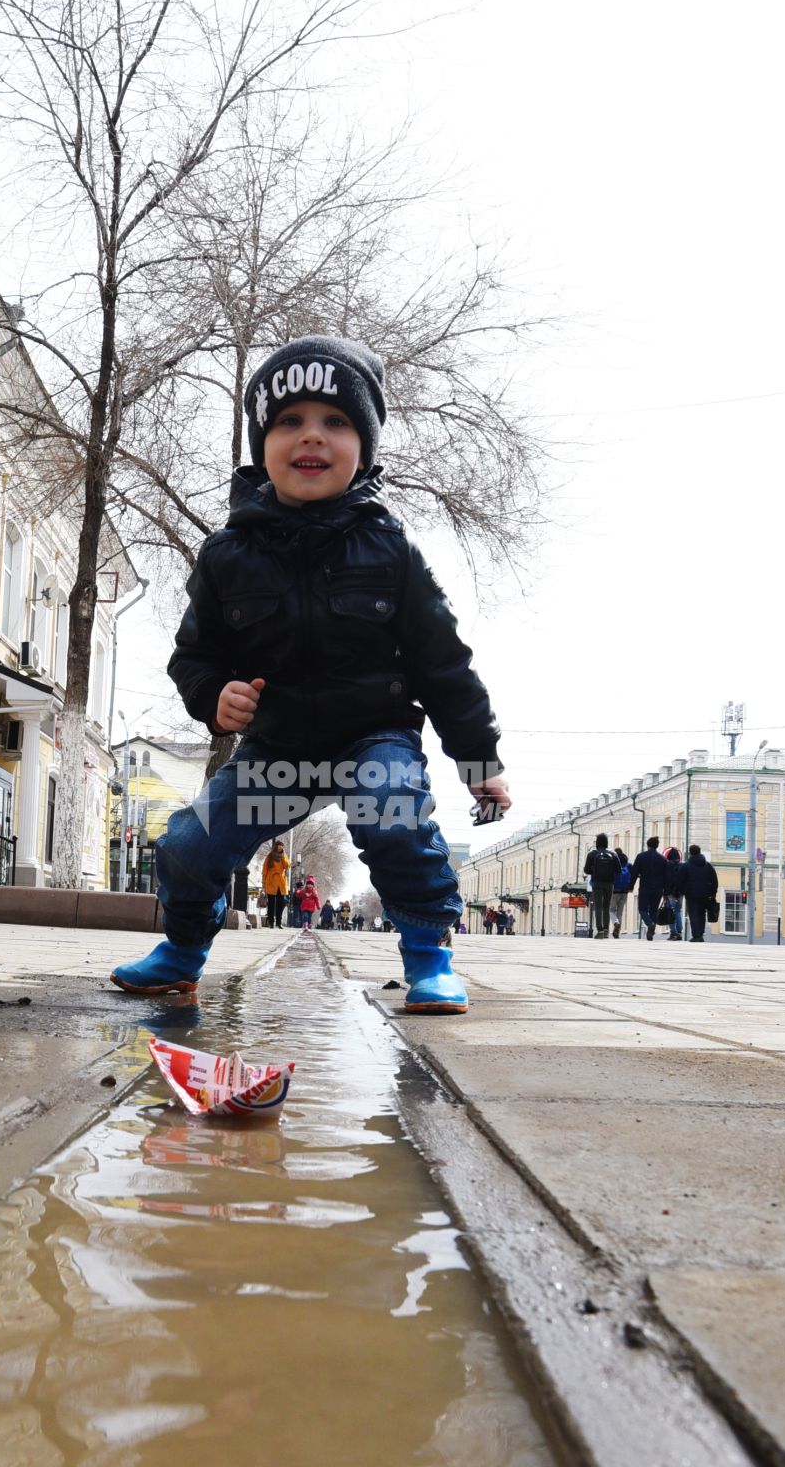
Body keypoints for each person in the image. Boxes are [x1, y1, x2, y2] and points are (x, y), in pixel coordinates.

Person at [109, 335, 509, 1013]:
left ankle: (429, 956)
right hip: (280, 759)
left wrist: (480, 760)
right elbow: (194, 654)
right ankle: (181, 951)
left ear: (365, 445)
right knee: (186, 843)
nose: (310, 438)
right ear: (262, 443)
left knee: (393, 813)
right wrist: (215, 697)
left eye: (335, 421)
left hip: (371, 740)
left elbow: (445, 664)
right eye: (289, 421)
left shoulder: (392, 549)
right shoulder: (227, 555)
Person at [630, 836, 669, 941]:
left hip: (645, 887)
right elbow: (666, 876)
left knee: (642, 909)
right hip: (658, 889)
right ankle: (651, 931)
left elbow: (634, 873)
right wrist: (666, 891)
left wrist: (631, 886)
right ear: (657, 846)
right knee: (653, 910)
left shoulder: (641, 856)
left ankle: (649, 923)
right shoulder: (663, 859)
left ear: (647, 845)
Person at [583, 833, 620, 940]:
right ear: (607, 842)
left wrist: (594, 871)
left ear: (597, 842)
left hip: (597, 883)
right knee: (606, 906)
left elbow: (586, 870)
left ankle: (600, 930)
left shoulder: (592, 853)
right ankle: (606, 930)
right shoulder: (613, 853)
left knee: (598, 906)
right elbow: (618, 870)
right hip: (609, 883)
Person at [684, 845, 719, 942]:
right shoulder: (708, 865)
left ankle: (696, 935)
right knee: (702, 914)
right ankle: (701, 933)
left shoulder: (686, 865)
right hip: (706, 894)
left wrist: (678, 892)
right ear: (699, 852)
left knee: (693, 914)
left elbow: (680, 880)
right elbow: (714, 880)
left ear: (690, 853)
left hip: (691, 894)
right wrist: (713, 893)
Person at [260, 839, 290, 928]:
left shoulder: (284, 856)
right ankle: (271, 922)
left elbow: (287, 865)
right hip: (271, 882)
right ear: (276, 846)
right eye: (279, 845)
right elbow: (264, 870)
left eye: (282, 846)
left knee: (280, 903)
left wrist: (283, 856)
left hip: (281, 882)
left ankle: (278, 922)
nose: (281, 847)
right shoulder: (270, 856)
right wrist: (263, 883)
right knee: (271, 903)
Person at [609, 847, 633, 938]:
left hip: (614, 890)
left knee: (611, 910)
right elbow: (634, 875)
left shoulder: (612, 863)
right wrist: (630, 887)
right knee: (620, 912)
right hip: (625, 891)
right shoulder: (628, 865)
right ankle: (617, 932)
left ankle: (616, 923)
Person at [664, 846, 686, 941]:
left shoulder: (667, 865)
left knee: (670, 912)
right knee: (678, 911)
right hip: (680, 893)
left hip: (670, 892)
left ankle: (673, 933)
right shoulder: (683, 866)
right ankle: (679, 931)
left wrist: (665, 891)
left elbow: (666, 879)